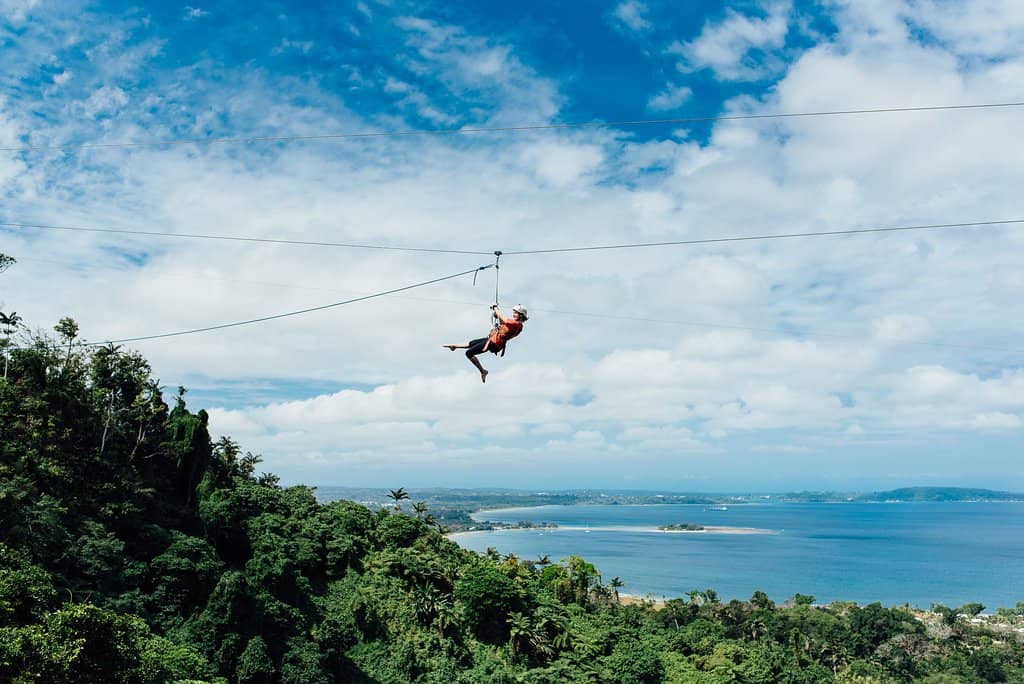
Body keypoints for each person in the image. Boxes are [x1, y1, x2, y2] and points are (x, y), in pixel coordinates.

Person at [444, 304, 528, 383]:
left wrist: (495, 308)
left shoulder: (515, 323)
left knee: (468, 353)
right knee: (473, 343)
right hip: (493, 340)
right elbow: (504, 324)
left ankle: (483, 371)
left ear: (521, 315)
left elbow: (504, 319)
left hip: (494, 343)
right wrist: (498, 318)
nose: (513, 314)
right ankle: (455, 346)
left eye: (515, 313)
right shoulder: (518, 326)